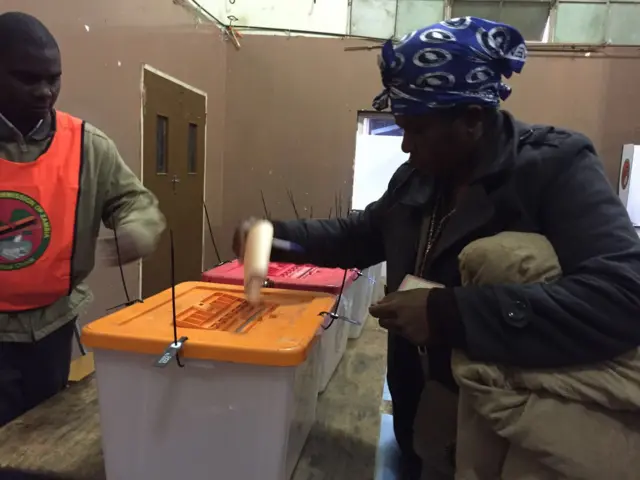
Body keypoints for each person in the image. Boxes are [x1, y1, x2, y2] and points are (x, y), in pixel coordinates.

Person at [233, 17, 640, 479]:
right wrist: (274, 237)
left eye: (417, 130)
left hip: (506, 435)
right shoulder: (419, 178)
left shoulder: (554, 169)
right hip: (421, 417)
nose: (405, 145)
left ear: (471, 118)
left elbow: (625, 295)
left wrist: (450, 314)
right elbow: (360, 235)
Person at [0, 12, 165, 427]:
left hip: (51, 330)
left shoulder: (88, 146)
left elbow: (134, 201)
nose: (45, 91)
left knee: (40, 438)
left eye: (53, 78)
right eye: (27, 78)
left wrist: (137, 229)